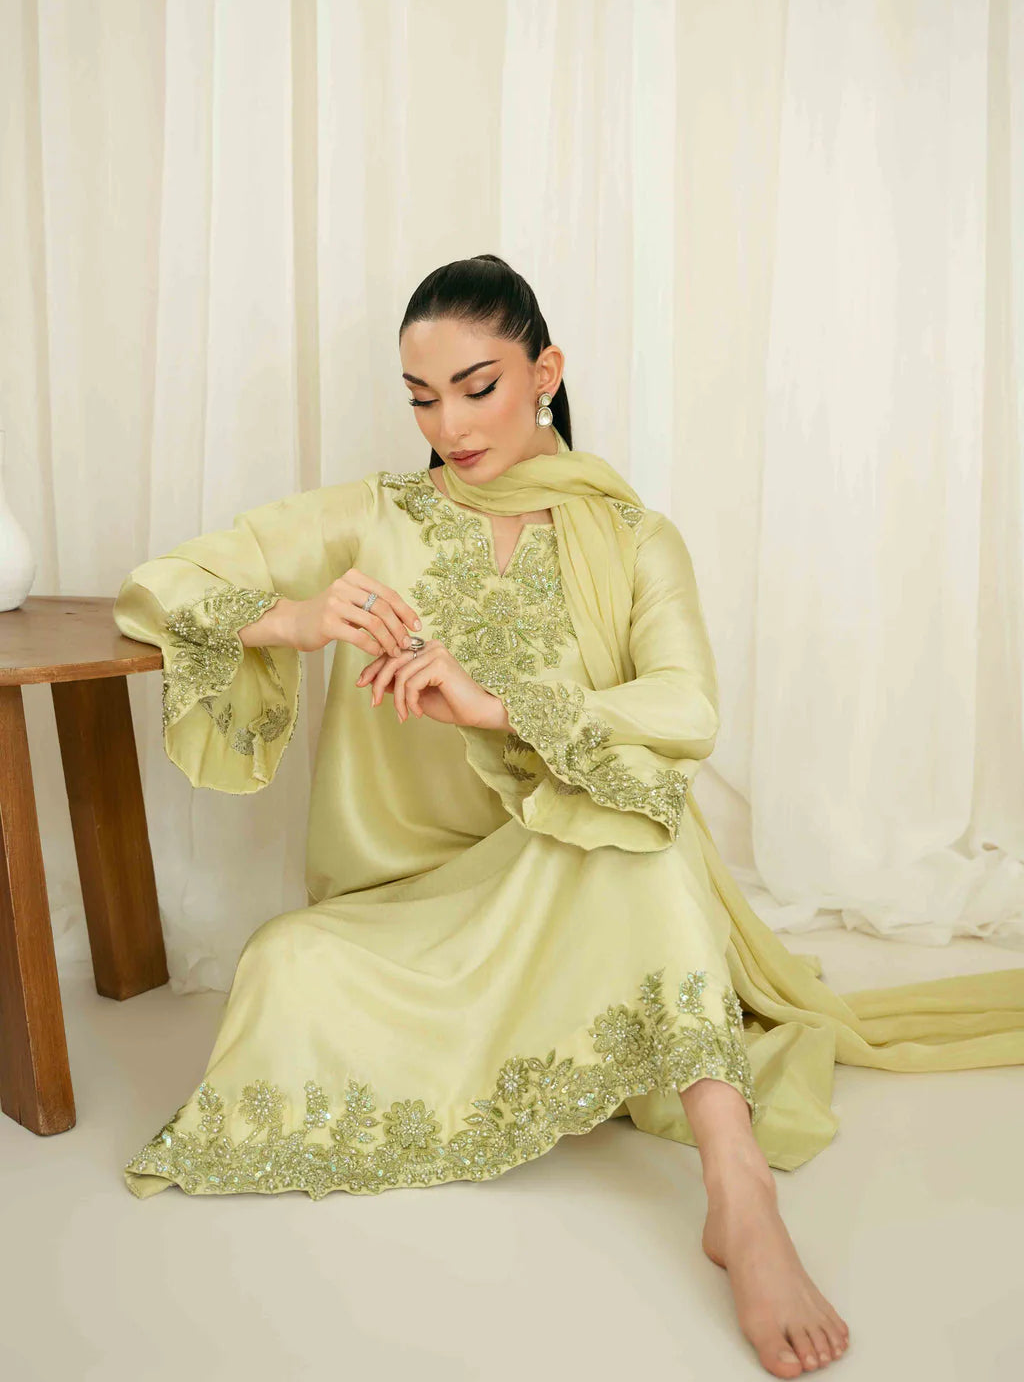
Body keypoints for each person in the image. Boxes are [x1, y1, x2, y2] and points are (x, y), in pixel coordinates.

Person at [113, 254, 1024, 1379]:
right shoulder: (375, 516)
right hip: (416, 909)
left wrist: (500, 704)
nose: (449, 425)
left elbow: (686, 706)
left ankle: (736, 1187)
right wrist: (296, 618)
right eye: (421, 397)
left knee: (635, 820)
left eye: (477, 386)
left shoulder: (633, 539)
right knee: (283, 964)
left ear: (545, 371)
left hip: (574, 878)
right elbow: (158, 583)